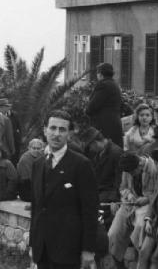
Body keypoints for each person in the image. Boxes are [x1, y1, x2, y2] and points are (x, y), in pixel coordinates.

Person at [30, 110, 98, 269]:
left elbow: (90, 210)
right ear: (44, 130)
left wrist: (88, 250)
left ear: (69, 134)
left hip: (68, 250)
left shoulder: (81, 165)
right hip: (42, 248)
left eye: (62, 129)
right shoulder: (38, 164)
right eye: (52, 128)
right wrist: (33, 244)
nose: (56, 134)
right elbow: (36, 208)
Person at [108, 152, 158, 269]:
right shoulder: (127, 170)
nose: (130, 174)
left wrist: (146, 199)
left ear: (140, 164)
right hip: (130, 204)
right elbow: (123, 187)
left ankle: (142, 263)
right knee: (113, 234)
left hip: (148, 206)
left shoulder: (155, 169)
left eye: (132, 172)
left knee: (140, 229)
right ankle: (120, 266)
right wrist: (129, 194)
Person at [81, 126, 123, 205]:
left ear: (95, 143)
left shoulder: (116, 153)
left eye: (90, 146)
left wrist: (113, 200)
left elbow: (119, 181)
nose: (90, 149)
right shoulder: (99, 152)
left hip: (109, 193)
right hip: (99, 190)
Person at [86, 63, 124, 148]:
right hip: (115, 125)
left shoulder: (103, 85)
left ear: (100, 74)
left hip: (103, 126)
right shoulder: (115, 85)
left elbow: (91, 108)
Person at [17, 138, 45, 202]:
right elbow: (29, 179)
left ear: (42, 149)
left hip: (37, 185)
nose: (36, 150)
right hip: (27, 188)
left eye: (38, 148)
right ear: (29, 148)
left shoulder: (41, 156)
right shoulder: (25, 159)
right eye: (34, 148)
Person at [0, 98, 22, 164]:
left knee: (15, 160)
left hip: (15, 141)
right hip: (3, 143)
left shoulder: (14, 115)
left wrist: (19, 138)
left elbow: (19, 127)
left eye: (8, 106)